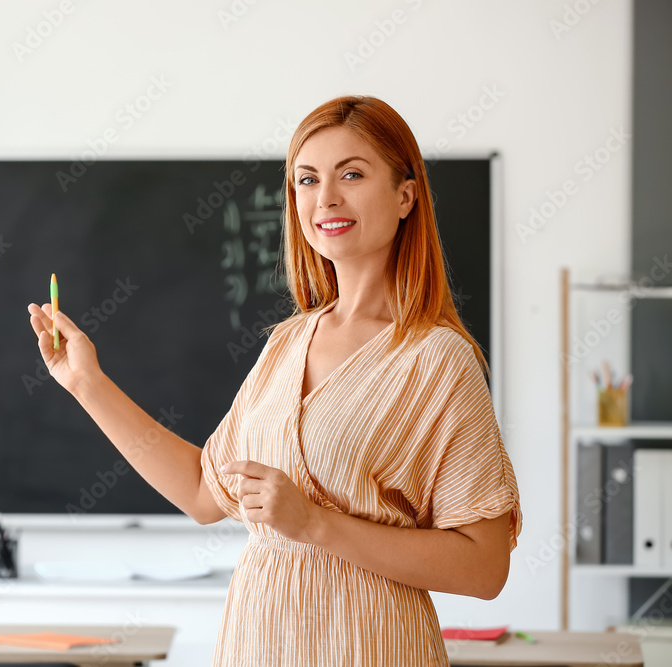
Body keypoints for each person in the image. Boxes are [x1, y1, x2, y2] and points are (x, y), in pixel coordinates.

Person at [27, 94, 522, 666]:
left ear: (405, 195)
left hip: (371, 648)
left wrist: (314, 524)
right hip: (258, 645)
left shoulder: (436, 360)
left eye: (352, 174)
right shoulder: (286, 343)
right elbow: (202, 493)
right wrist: (86, 383)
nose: (326, 197)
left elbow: (485, 568)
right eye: (306, 180)